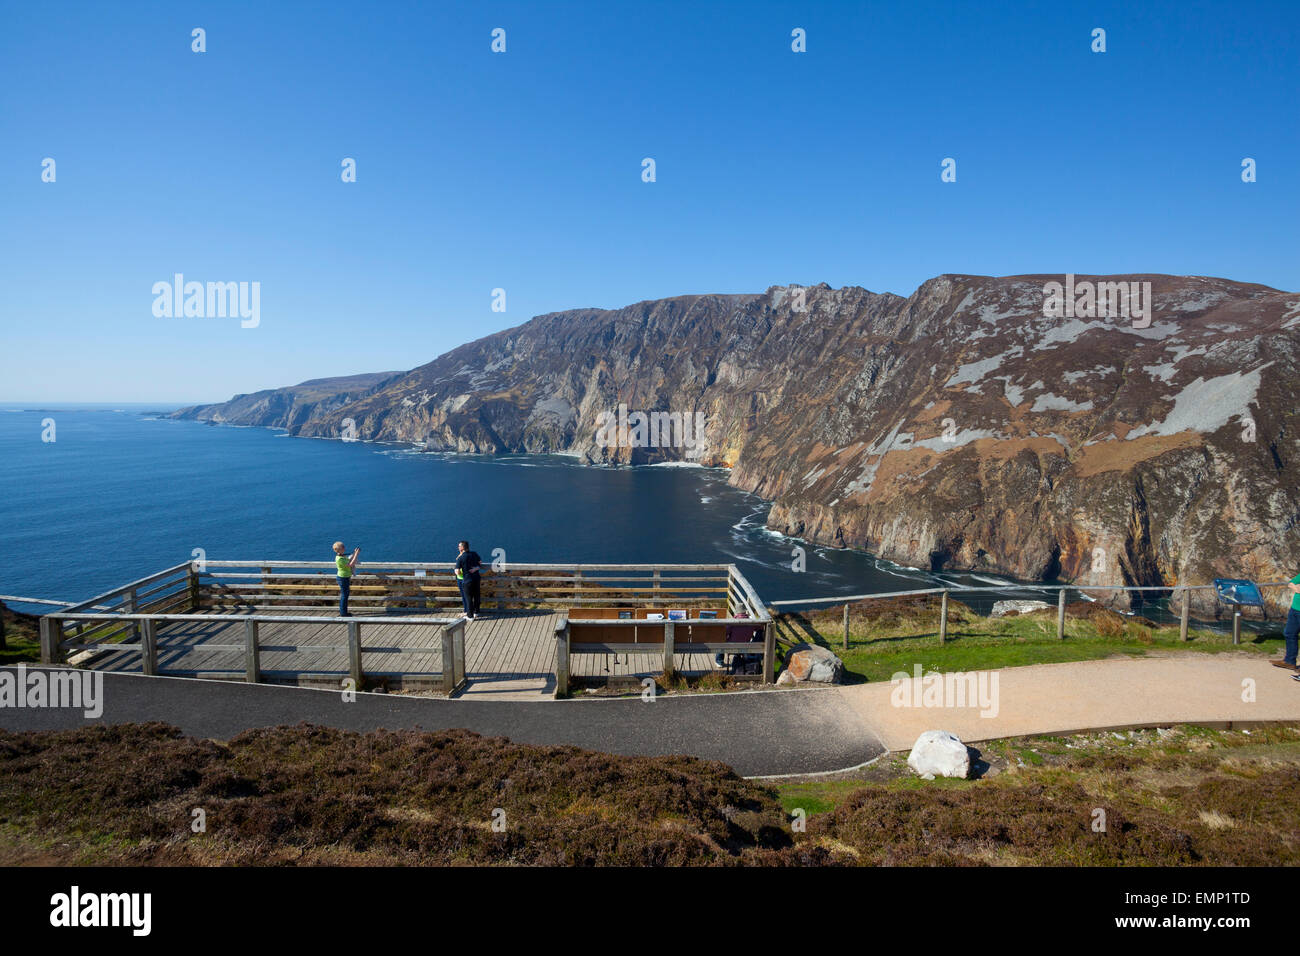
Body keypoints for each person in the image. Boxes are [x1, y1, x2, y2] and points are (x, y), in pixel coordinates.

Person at [1275, 572, 1300, 673]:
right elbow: (1291, 583)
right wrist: (1297, 589)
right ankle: (1290, 661)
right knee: (1289, 633)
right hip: (1294, 610)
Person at [455, 540, 482, 620]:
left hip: (467, 580)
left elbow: (457, 571)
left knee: (468, 598)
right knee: (477, 596)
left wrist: (458, 573)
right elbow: (480, 562)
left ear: (462, 547)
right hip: (476, 578)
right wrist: (476, 568)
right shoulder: (474, 554)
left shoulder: (461, 558)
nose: (458, 547)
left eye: (459, 546)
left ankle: (470, 616)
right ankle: (477, 612)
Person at [333, 541, 360, 616]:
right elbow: (351, 564)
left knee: (345, 595)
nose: (344, 548)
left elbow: (349, 559)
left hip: (344, 577)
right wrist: (356, 554)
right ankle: (343, 613)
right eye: (343, 547)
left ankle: (344, 612)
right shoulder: (340, 559)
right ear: (339, 550)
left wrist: (354, 553)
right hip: (343, 578)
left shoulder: (341, 556)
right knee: (344, 596)